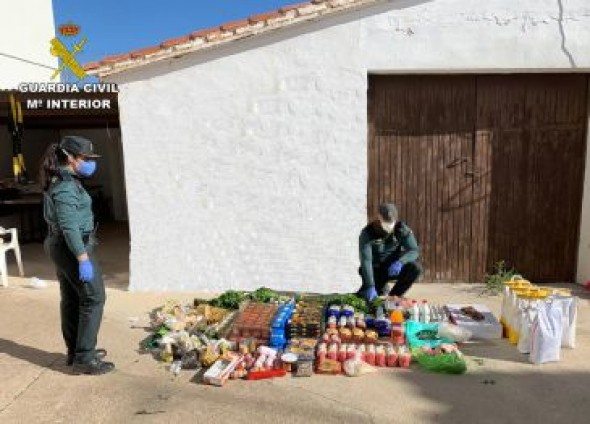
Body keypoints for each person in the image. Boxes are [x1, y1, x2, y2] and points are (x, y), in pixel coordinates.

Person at [40, 135, 114, 375]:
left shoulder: (66, 179)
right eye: (85, 158)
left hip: (62, 246)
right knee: (93, 298)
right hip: (72, 247)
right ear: (69, 158)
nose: (90, 163)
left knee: (72, 298)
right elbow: (69, 226)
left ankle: (77, 351)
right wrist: (82, 258)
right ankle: (84, 357)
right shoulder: (65, 186)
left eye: (91, 158)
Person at [357, 203, 421, 302]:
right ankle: (377, 288)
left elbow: (414, 250)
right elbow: (366, 261)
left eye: (392, 222)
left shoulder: (401, 229)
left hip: (393, 268)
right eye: (386, 222)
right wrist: (370, 285)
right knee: (366, 300)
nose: (389, 225)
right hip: (375, 270)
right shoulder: (367, 233)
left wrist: (401, 262)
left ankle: (393, 297)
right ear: (379, 217)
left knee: (415, 268)